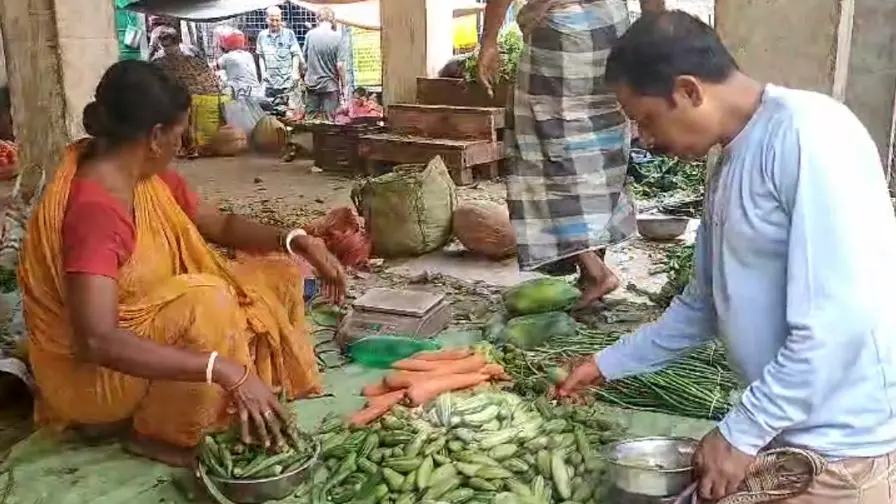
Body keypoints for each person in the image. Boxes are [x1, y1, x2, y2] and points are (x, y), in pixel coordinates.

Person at [559, 11, 896, 503]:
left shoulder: (810, 136)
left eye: (647, 119)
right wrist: (609, 362)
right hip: (787, 434)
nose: (644, 139)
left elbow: (840, 319)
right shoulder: (730, 159)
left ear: (690, 90)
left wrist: (743, 429)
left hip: (839, 454)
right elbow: (703, 306)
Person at [17, 60, 347, 467]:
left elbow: (219, 223)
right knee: (207, 299)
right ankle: (161, 433)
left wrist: (299, 241)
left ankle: (198, 396)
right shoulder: (96, 211)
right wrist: (225, 371)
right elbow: (96, 341)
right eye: (181, 133)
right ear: (155, 136)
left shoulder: (143, 176)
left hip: (141, 329)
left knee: (275, 275)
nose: (185, 142)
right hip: (92, 378)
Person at [477, 0, 666, 306]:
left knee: (545, 151)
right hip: (611, 32)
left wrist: (488, 41)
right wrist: (656, 34)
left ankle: (595, 270)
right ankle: (591, 272)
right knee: (599, 152)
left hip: (559, 38)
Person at [154, 28, 223, 158]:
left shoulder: (161, 59)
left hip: (191, 93)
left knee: (183, 118)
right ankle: (192, 147)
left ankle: (188, 147)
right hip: (206, 93)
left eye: (164, 40)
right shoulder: (190, 52)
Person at [302, 8, 347, 121]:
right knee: (329, 121)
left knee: (310, 120)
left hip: (311, 85)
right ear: (332, 20)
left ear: (318, 19)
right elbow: (340, 65)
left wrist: (304, 77)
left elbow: (304, 62)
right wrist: (344, 86)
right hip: (330, 86)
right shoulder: (339, 37)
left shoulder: (309, 35)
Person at [256, 6, 303, 101]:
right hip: (270, 83)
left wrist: (294, 72)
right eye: (271, 20)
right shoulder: (262, 36)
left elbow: (296, 55)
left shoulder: (289, 34)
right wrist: (263, 73)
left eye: (277, 20)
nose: (274, 23)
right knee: (270, 112)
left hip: (287, 83)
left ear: (281, 19)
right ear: (266, 19)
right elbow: (261, 56)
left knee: (290, 113)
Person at [216, 28, 264, 100]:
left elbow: (212, 68)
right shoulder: (248, 55)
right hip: (258, 93)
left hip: (243, 96)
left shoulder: (227, 57)